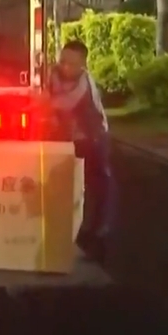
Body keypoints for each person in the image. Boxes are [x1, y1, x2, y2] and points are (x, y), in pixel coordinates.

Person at [45, 40, 114, 260]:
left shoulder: (85, 83)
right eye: (63, 60)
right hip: (67, 138)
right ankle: (70, 225)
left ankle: (100, 229)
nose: (65, 66)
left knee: (98, 183)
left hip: (93, 137)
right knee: (67, 182)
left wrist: (42, 104)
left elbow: (65, 103)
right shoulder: (53, 74)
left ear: (82, 65)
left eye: (72, 63)